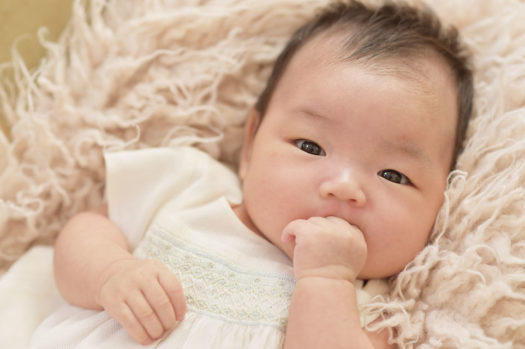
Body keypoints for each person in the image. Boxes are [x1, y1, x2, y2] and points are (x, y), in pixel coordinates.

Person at [30, 0, 473, 348]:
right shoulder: (189, 185)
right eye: (310, 146)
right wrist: (110, 272)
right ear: (250, 146)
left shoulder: (378, 311)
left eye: (393, 175)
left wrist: (327, 280)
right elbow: (84, 230)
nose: (343, 186)